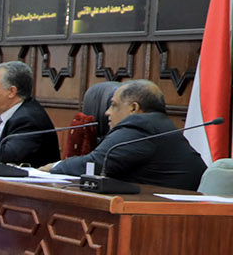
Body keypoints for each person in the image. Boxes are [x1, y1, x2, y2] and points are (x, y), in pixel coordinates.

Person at [51, 78, 208, 190]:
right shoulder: (157, 124)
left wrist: (54, 167)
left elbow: (97, 164)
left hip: (167, 214)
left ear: (133, 108)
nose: (107, 112)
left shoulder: (140, 126)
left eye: (113, 105)